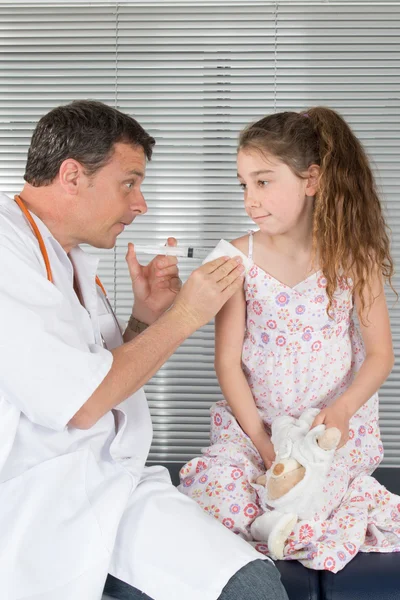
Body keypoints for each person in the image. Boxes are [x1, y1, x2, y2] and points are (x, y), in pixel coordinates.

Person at [0, 100, 289, 600]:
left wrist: (146, 318)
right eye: (128, 183)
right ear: (72, 176)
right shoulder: (8, 250)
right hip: (41, 500)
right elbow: (82, 402)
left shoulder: (64, 254)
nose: (141, 205)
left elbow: (98, 377)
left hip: (115, 484)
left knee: (254, 586)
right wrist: (184, 317)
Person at [179, 107, 400, 572]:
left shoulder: (353, 258)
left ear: (311, 180)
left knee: (310, 496)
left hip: (326, 434)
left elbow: (380, 355)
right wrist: (262, 445)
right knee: (214, 500)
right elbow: (227, 363)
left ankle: (296, 518)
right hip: (255, 431)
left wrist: (340, 412)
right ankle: (280, 522)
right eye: (243, 185)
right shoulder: (238, 258)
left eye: (263, 181)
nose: (250, 200)